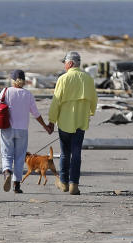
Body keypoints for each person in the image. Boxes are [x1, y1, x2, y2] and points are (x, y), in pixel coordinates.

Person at [0, 69, 53, 193]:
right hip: (22, 130)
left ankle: (7, 172)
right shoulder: (28, 95)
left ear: (12, 80)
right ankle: (16, 185)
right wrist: (45, 127)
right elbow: (36, 114)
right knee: (20, 157)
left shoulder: (5, 91)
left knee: (6, 154)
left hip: (7, 128)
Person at [48, 51, 97, 195]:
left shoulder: (63, 79)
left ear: (69, 63)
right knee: (76, 153)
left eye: (65, 63)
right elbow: (94, 100)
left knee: (64, 153)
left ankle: (63, 182)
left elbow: (56, 102)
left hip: (64, 122)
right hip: (81, 122)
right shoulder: (88, 79)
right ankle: (74, 185)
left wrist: (51, 120)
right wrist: (91, 112)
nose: (64, 66)